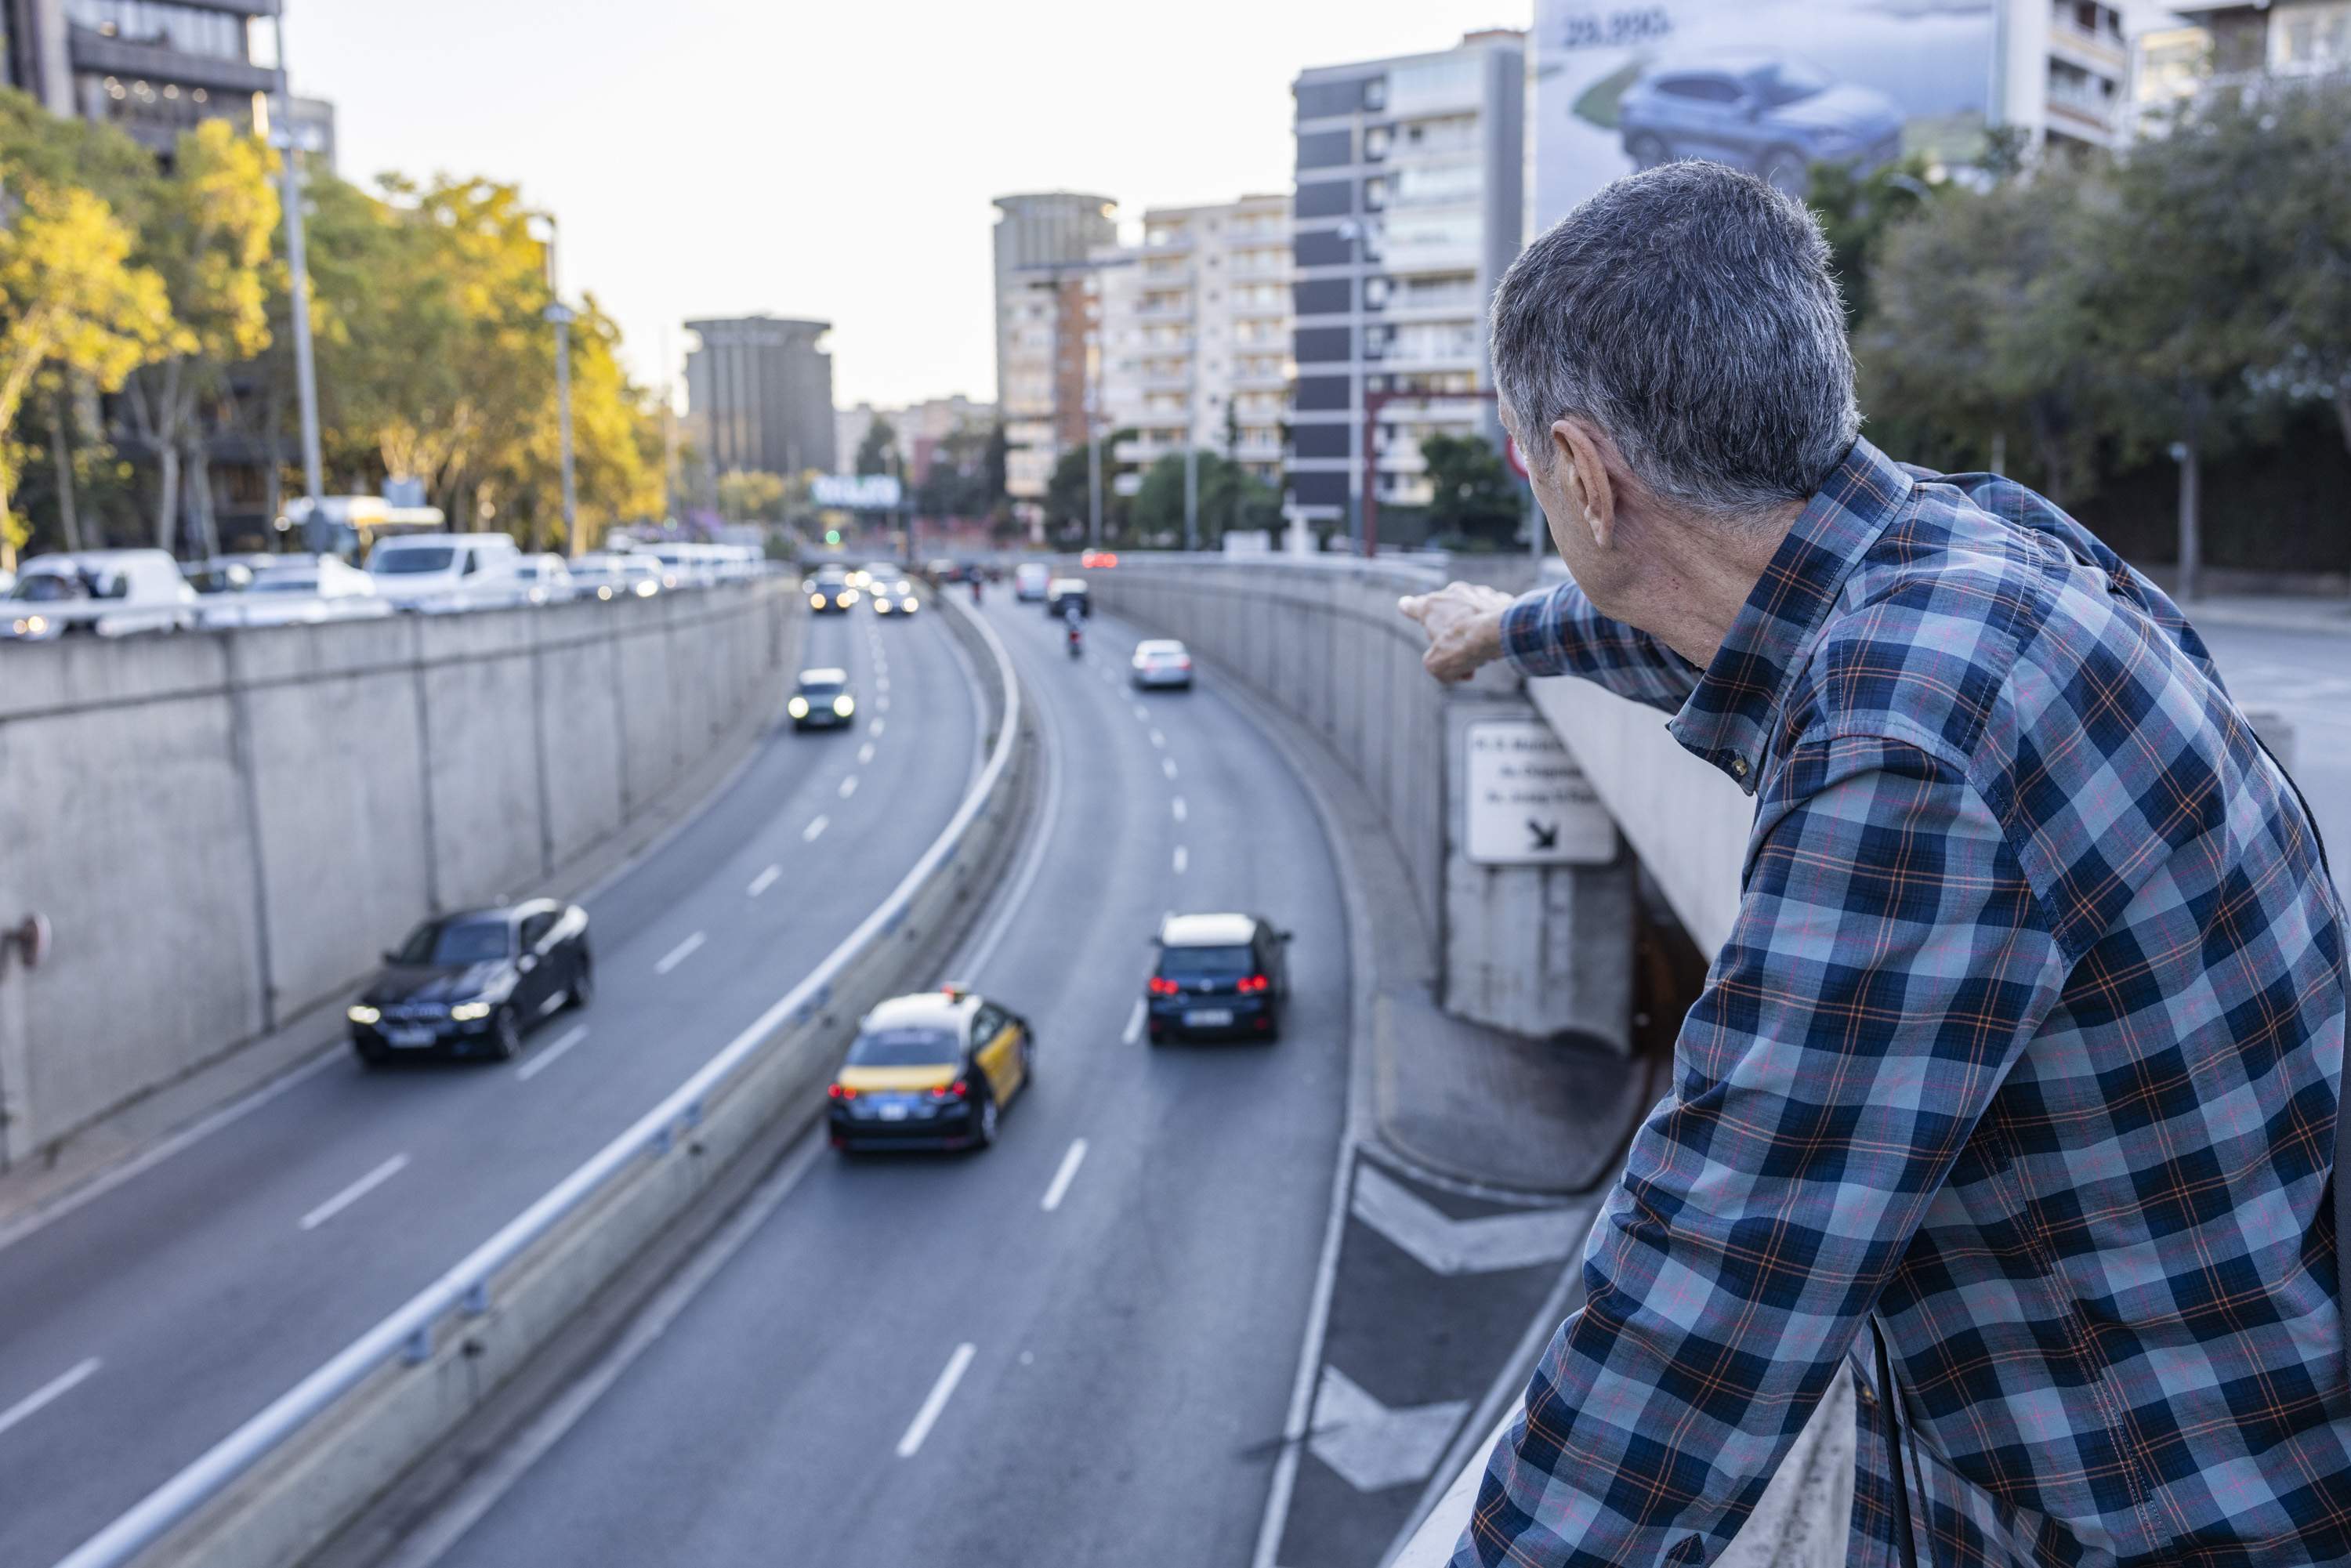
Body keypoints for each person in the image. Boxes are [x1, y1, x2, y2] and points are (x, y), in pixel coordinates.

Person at [1400, 161, 2349, 1567]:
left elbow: (1718, 1273)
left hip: (2159, 1515)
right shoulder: (1984, 545)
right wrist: (1511, 625)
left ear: (1586, 476)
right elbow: (1709, 619)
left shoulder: (1906, 746)